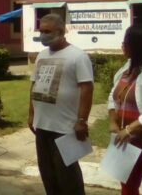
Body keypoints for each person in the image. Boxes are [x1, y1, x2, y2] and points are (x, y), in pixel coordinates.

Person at [28, 13, 93, 195]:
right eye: (41, 31)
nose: (43, 35)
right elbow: (34, 85)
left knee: (68, 177)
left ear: (61, 31)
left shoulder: (78, 56)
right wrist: (31, 114)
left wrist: (82, 120)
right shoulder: (41, 55)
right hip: (42, 126)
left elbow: (87, 89)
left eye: (47, 31)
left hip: (65, 128)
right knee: (48, 174)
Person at [107, 24, 142, 194]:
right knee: (128, 187)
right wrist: (113, 121)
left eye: (126, 42)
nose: (123, 45)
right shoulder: (126, 68)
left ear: (139, 45)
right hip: (126, 143)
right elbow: (113, 96)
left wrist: (129, 129)